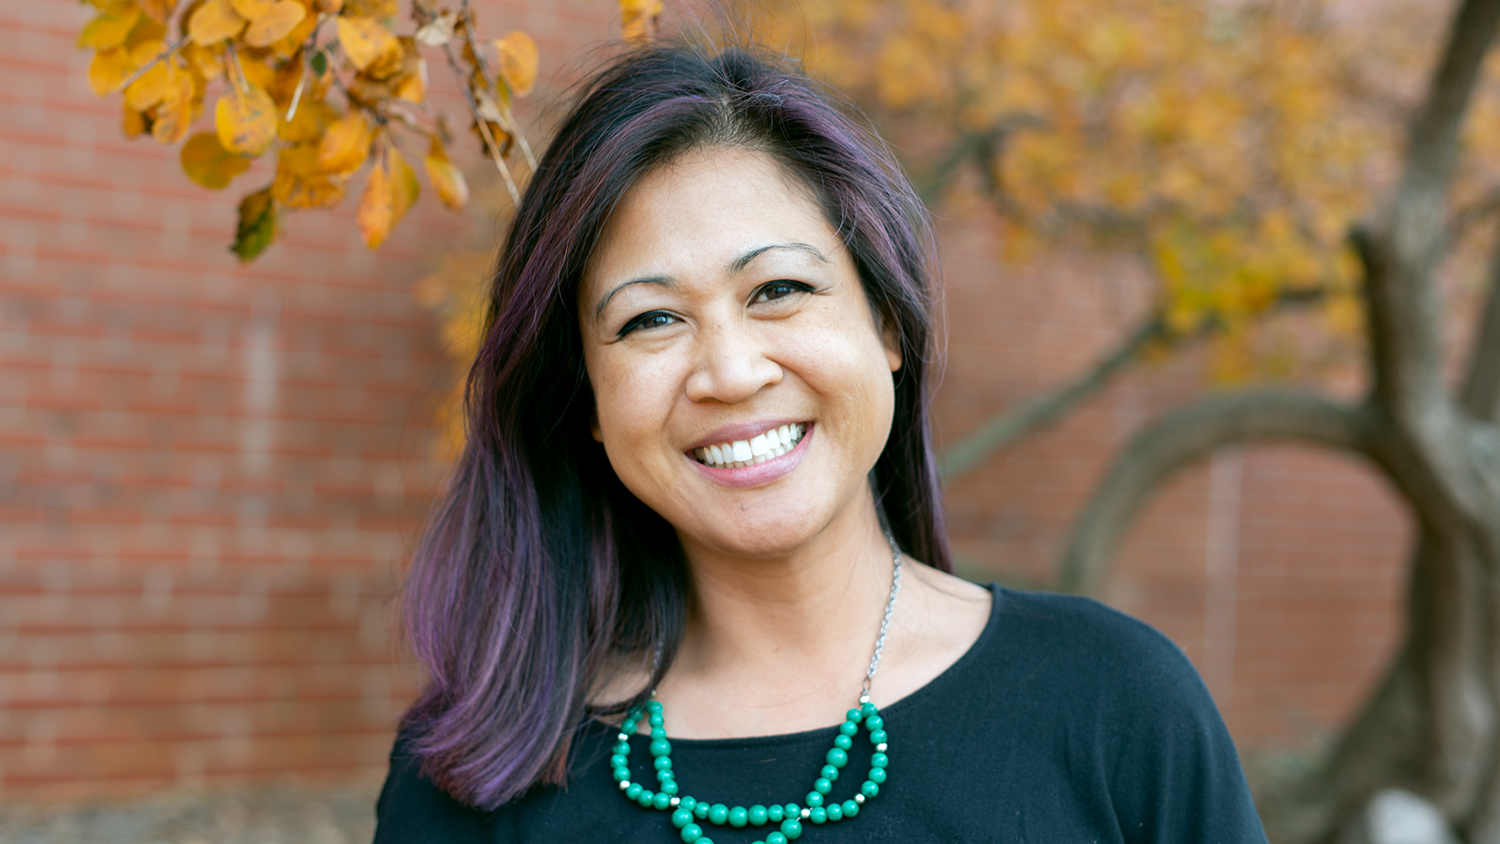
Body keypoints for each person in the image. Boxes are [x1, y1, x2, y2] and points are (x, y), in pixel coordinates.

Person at [373, 42, 1268, 844]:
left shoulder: (1113, 704)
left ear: (887, 325)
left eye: (778, 290)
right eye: (651, 318)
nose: (728, 370)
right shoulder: (469, 774)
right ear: (590, 400)